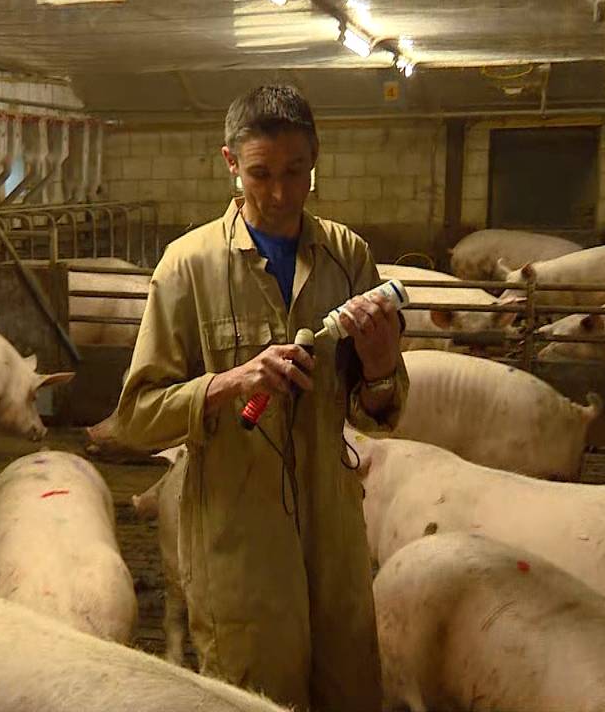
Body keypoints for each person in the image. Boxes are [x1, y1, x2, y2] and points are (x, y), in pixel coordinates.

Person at [108, 84, 407, 711]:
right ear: (230, 163)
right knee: (256, 698)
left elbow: (379, 409)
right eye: (260, 174)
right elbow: (135, 418)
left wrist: (382, 365)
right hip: (238, 543)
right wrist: (229, 382)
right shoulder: (187, 267)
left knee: (352, 691)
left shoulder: (348, 257)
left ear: (315, 159)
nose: (279, 194)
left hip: (334, 535)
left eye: (296, 172)